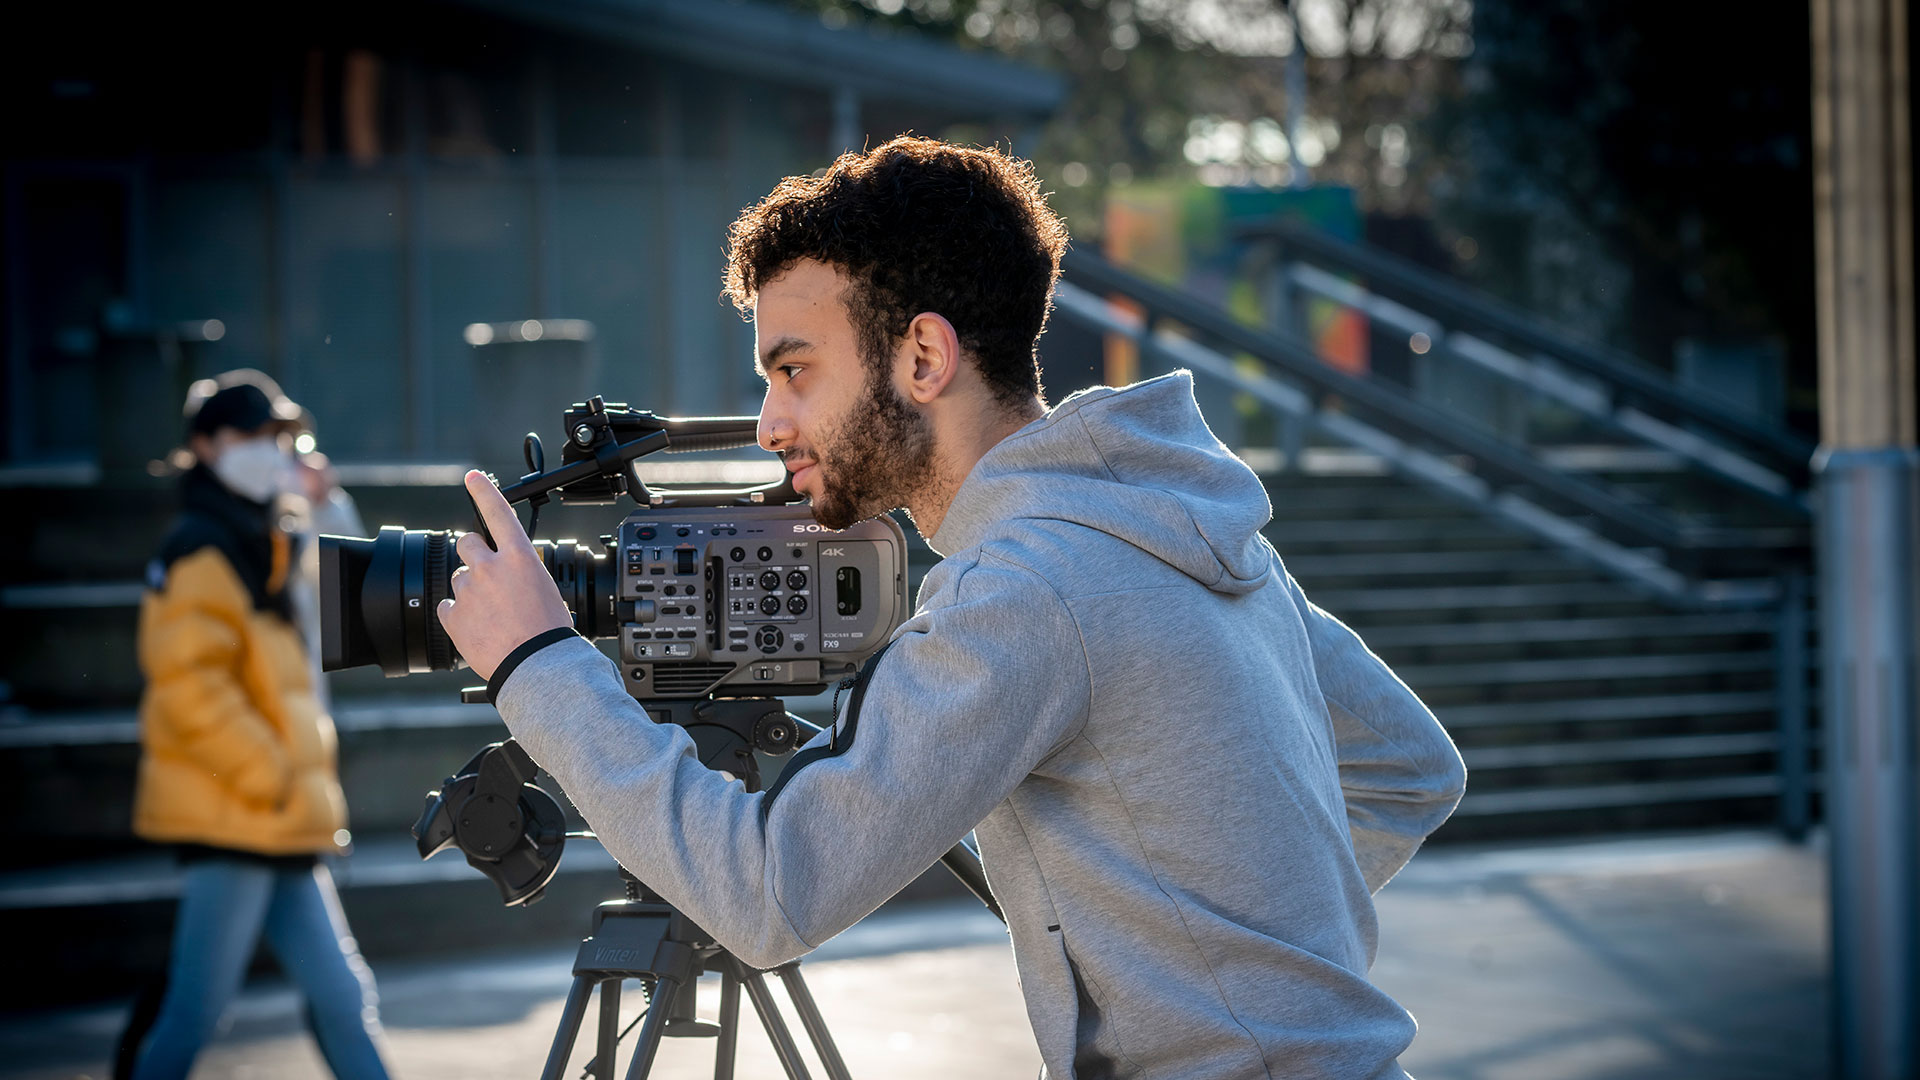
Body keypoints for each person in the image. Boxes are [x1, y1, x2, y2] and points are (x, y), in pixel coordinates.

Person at [438, 137, 1466, 1079]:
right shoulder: (1172, 518)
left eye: (794, 369)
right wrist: (1248, 973)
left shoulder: (1022, 589)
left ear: (924, 358)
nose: (767, 422)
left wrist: (536, 661)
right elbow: (1412, 765)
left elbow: (765, 892)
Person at [127, 369, 393, 1080]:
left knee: (341, 998)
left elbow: (349, 582)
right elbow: (192, 690)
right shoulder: (202, 548)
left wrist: (323, 498)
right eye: (252, 434)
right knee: (195, 1011)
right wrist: (270, 771)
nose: (270, 450)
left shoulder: (266, 533)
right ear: (206, 445)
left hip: (276, 812)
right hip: (239, 813)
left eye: (278, 436)